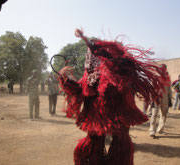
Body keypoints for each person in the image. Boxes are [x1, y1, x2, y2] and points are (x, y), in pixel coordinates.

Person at [58, 29, 170, 165]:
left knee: (121, 141)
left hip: (119, 114)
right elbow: (81, 90)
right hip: (96, 114)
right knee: (94, 141)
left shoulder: (121, 69)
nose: (90, 61)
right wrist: (66, 81)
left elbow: (121, 76)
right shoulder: (90, 74)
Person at [149, 64, 172, 137]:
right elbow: (151, 89)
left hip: (165, 100)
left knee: (164, 116)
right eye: (162, 69)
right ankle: (152, 131)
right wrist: (151, 100)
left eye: (164, 69)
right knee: (154, 115)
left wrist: (170, 100)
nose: (163, 70)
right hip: (156, 99)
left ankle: (160, 130)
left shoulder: (168, 79)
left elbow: (169, 90)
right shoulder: (155, 78)